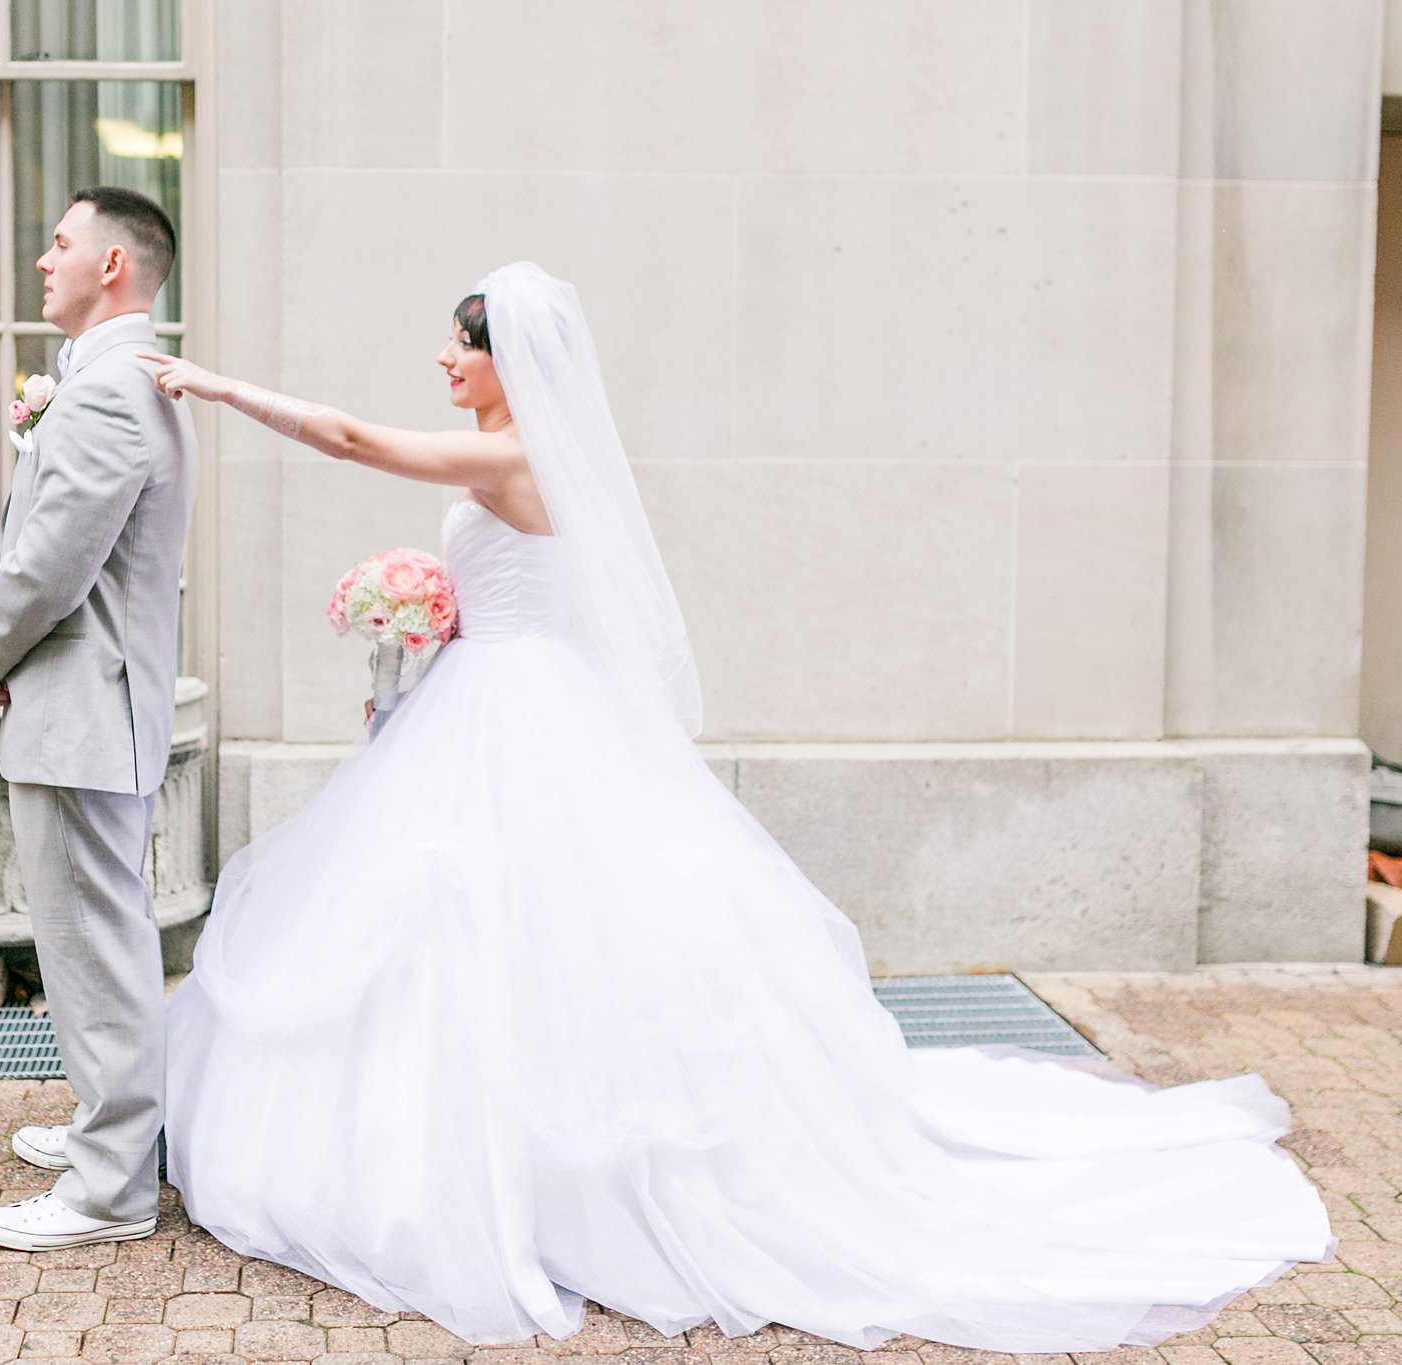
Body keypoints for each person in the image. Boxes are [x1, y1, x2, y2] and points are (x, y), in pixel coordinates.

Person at [134, 262, 1335, 1351]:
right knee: (487, 932)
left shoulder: (514, 456)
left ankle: (522, 1183)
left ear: (516, 361)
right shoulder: (519, 454)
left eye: (463, 344)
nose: (444, 360)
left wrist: (214, 383)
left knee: (498, 927)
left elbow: (346, 439)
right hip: (489, 692)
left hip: (514, 713)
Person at [0, 186, 196, 1253]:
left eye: (59, 243)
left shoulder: (103, 394)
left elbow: (51, 561)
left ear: (112, 268)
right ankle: (112, 1132)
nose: (42, 259)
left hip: (81, 707)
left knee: (94, 946)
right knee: (96, 939)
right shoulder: (117, 382)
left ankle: (108, 1190)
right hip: (89, 704)